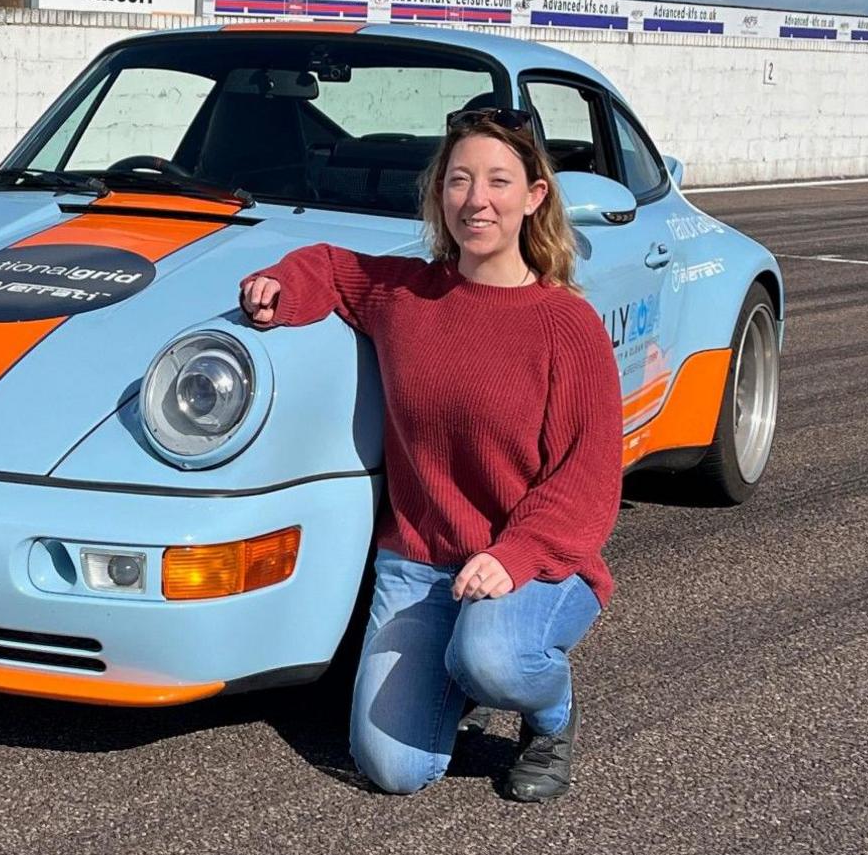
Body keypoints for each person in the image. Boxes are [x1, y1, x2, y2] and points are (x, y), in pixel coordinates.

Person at [239, 107, 622, 801]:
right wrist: (281, 286)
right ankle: (464, 661)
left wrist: (512, 558)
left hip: (535, 564)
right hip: (419, 563)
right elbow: (331, 266)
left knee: (495, 658)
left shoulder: (567, 325)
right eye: (459, 181)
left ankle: (548, 711)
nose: (477, 200)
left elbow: (588, 483)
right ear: (439, 194)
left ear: (534, 196)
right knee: (393, 768)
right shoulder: (405, 294)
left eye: (499, 181)